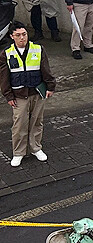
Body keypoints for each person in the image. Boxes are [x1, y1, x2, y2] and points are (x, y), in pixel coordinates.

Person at [2, 21, 55, 168]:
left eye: (24, 34)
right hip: (19, 95)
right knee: (19, 124)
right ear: (12, 36)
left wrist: (50, 87)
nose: (22, 38)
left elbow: (46, 69)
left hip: (37, 93)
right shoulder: (6, 53)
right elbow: (4, 77)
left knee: (37, 121)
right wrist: (8, 96)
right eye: (18, 35)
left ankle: (36, 148)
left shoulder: (38, 49)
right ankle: (18, 153)